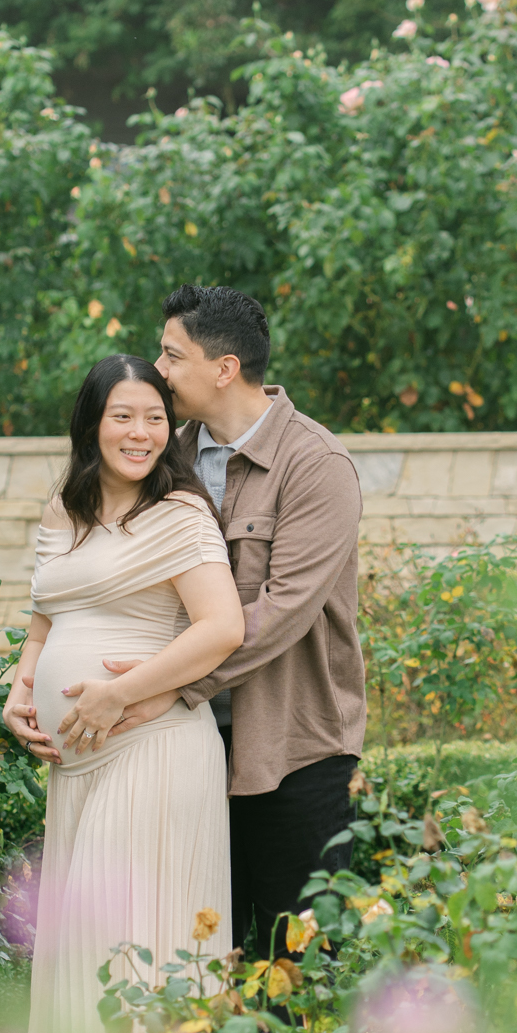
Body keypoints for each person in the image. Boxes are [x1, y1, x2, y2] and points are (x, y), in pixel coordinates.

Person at [2, 354, 243, 1033]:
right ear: (91, 424)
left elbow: (223, 628)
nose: (140, 432)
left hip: (154, 753)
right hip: (74, 768)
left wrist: (118, 696)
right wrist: (17, 690)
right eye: (122, 416)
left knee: (126, 957)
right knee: (77, 956)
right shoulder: (62, 514)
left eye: (154, 417)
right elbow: (46, 625)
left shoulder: (177, 513)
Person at [108, 284, 365, 961]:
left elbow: (282, 611)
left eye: (171, 355)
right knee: (198, 960)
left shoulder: (316, 464)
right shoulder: (168, 460)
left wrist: (165, 684)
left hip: (292, 754)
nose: (157, 371)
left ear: (223, 368)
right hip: (186, 746)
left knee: (299, 968)